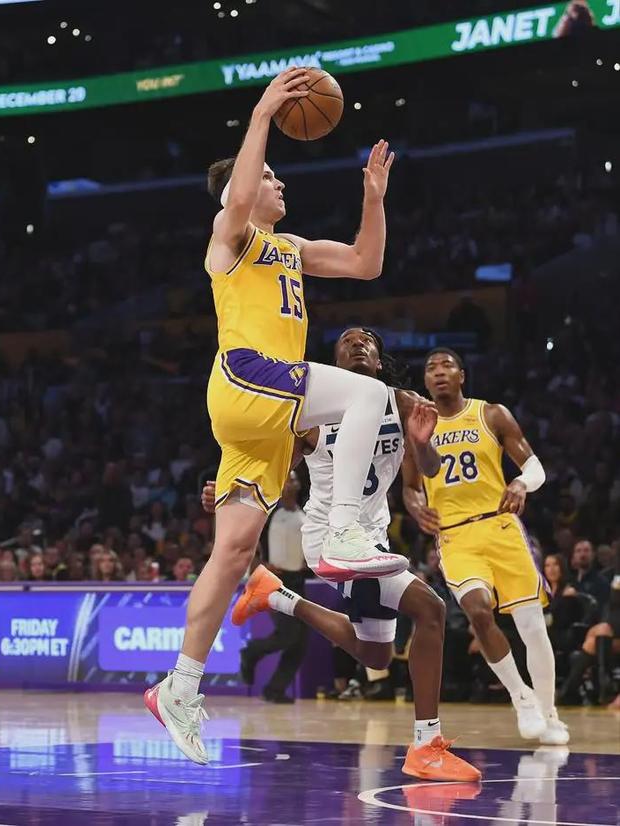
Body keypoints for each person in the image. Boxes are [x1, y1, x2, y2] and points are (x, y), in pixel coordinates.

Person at [144, 69, 404, 763]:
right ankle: (344, 530)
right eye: (268, 177)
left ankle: (179, 687)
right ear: (241, 188)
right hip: (246, 377)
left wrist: (373, 199)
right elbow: (237, 196)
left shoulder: (290, 249)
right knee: (369, 395)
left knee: (232, 553)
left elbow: (366, 263)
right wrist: (261, 113)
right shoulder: (227, 238)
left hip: (264, 417)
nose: (280, 183)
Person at [203, 328, 480, 782]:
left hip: (372, 542)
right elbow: (273, 472)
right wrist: (228, 490)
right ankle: (426, 746)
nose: (357, 344)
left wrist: (422, 442)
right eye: (346, 342)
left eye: (366, 340)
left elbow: (429, 469)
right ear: (334, 364)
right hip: (329, 539)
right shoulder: (313, 412)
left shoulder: (403, 403)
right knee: (430, 609)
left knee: (376, 657)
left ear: (379, 359)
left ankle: (275, 596)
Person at [402, 348, 568, 745]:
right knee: (478, 611)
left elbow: (534, 466)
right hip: (456, 536)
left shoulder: (491, 414)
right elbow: (410, 487)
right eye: (431, 368)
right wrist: (417, 508)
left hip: (501, 527)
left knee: (532, 627)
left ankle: (550, 713)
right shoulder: (418, 427)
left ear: (461, 375)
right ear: (425, 382)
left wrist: (520, 483)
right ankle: (521, 697)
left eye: (446, 366)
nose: (439, 372)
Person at [239, 471, 308, 704]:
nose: (291, 482)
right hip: (275, 580)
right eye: (287, 478)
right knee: (287, 634)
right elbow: (250, 542)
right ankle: (251, 652)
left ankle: (274, 689)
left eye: (294, 479)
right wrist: (258, 567)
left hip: (298, 579)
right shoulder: (268, 513)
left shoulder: (304, 514)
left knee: (300, 643)